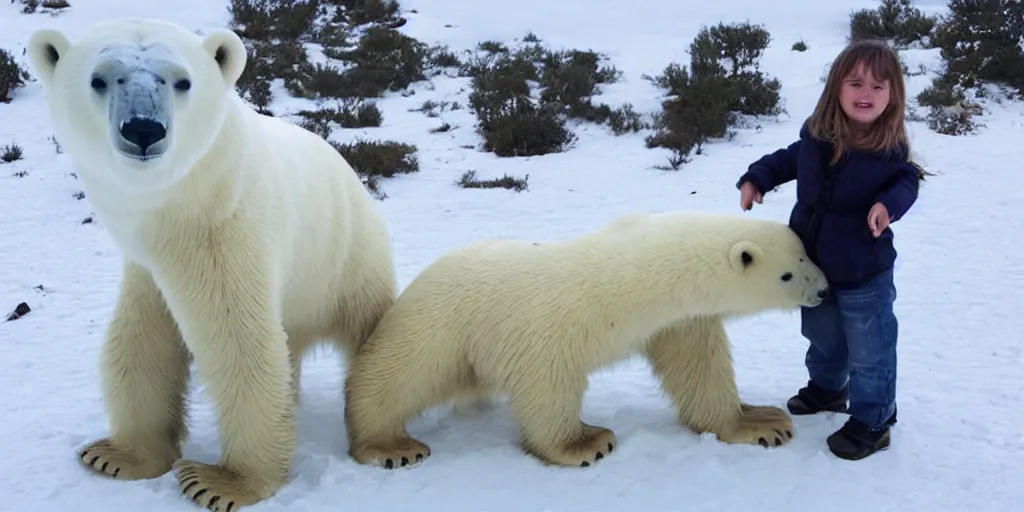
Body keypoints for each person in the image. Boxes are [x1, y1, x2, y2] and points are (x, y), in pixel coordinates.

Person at [735, 38, 928, 461]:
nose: (866, 94)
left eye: (879, 87)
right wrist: (757, 178)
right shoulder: (818, 136)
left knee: (870, 348)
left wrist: (887, 205)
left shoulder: (888, 149)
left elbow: (906, 182)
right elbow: (789, 159)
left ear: (893, 96)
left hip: (864, 269)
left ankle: (874, 420)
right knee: (821, 335)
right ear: (836, 87)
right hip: (813, 265)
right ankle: (827, 388)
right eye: (856, 83)